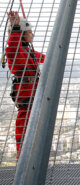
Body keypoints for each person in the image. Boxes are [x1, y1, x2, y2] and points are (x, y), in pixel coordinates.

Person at [6, 11, 46, 159]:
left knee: (32, 126)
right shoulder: (15, 51)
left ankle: (29, 155)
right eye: (29, 32)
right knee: (24, 126)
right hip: (26, 94)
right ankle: (23, 156)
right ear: (22, 34)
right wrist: (15, 26)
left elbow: (44, 58)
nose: (32, 34)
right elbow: (12, 45)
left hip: (31, 94)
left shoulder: (28, 51)